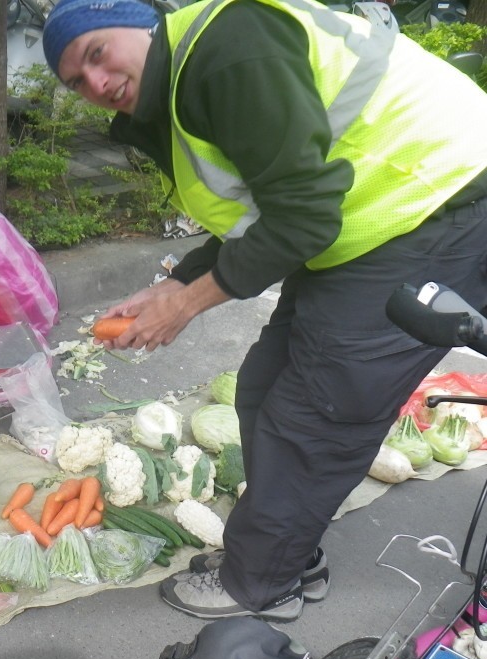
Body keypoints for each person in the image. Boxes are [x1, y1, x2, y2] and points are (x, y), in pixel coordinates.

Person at [42, 0, 487, 621]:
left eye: (96, 54)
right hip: (365, 225)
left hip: (433, 201)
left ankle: (262, 584)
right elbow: (267, 201)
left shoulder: (226, 53)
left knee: (317, 414)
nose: (95, 83)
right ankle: (284, 552)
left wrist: (187, 305)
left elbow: (303, 215)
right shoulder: (180, 83)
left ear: (140, 22)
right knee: (261, 388)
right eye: (76, 82)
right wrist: (177, 281)